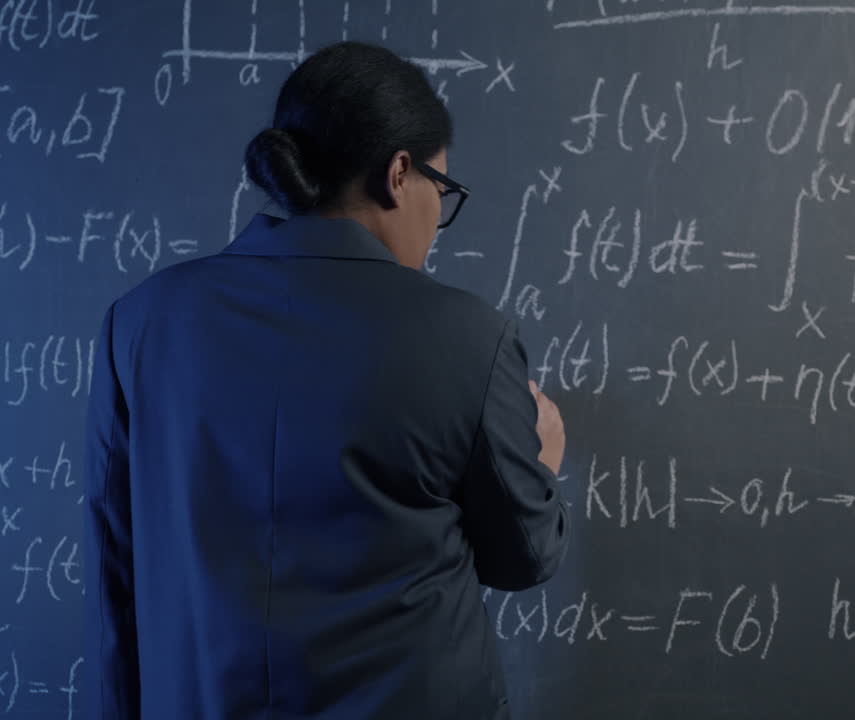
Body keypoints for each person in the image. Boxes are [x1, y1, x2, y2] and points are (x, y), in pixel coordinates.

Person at [84, 41, 569, 720]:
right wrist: (542, 459)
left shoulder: (140, 323)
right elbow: (520, 557)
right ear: (400, 173)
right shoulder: (469, 336)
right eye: (442, 190)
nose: (437, 220)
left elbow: (117, 573)